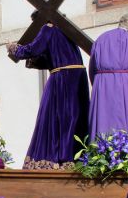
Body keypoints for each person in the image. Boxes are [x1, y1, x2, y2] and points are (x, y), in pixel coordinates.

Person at [6, 23, 90, 169]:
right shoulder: (66, 29)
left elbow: (34, 49)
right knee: (75, 118)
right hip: (78, 77)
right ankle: (77, 157)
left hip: (62, 78)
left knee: (52, 117)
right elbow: (54, 57)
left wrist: (15, 48)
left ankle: (58, 159)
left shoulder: (48, 27)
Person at [87, 13, 128, 139]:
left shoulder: (101, 39)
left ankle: (99, 152)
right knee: (124, 122)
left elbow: (92, 68)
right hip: (124, 84)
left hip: (101, 84)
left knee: (102, 121)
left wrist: (97, 86)